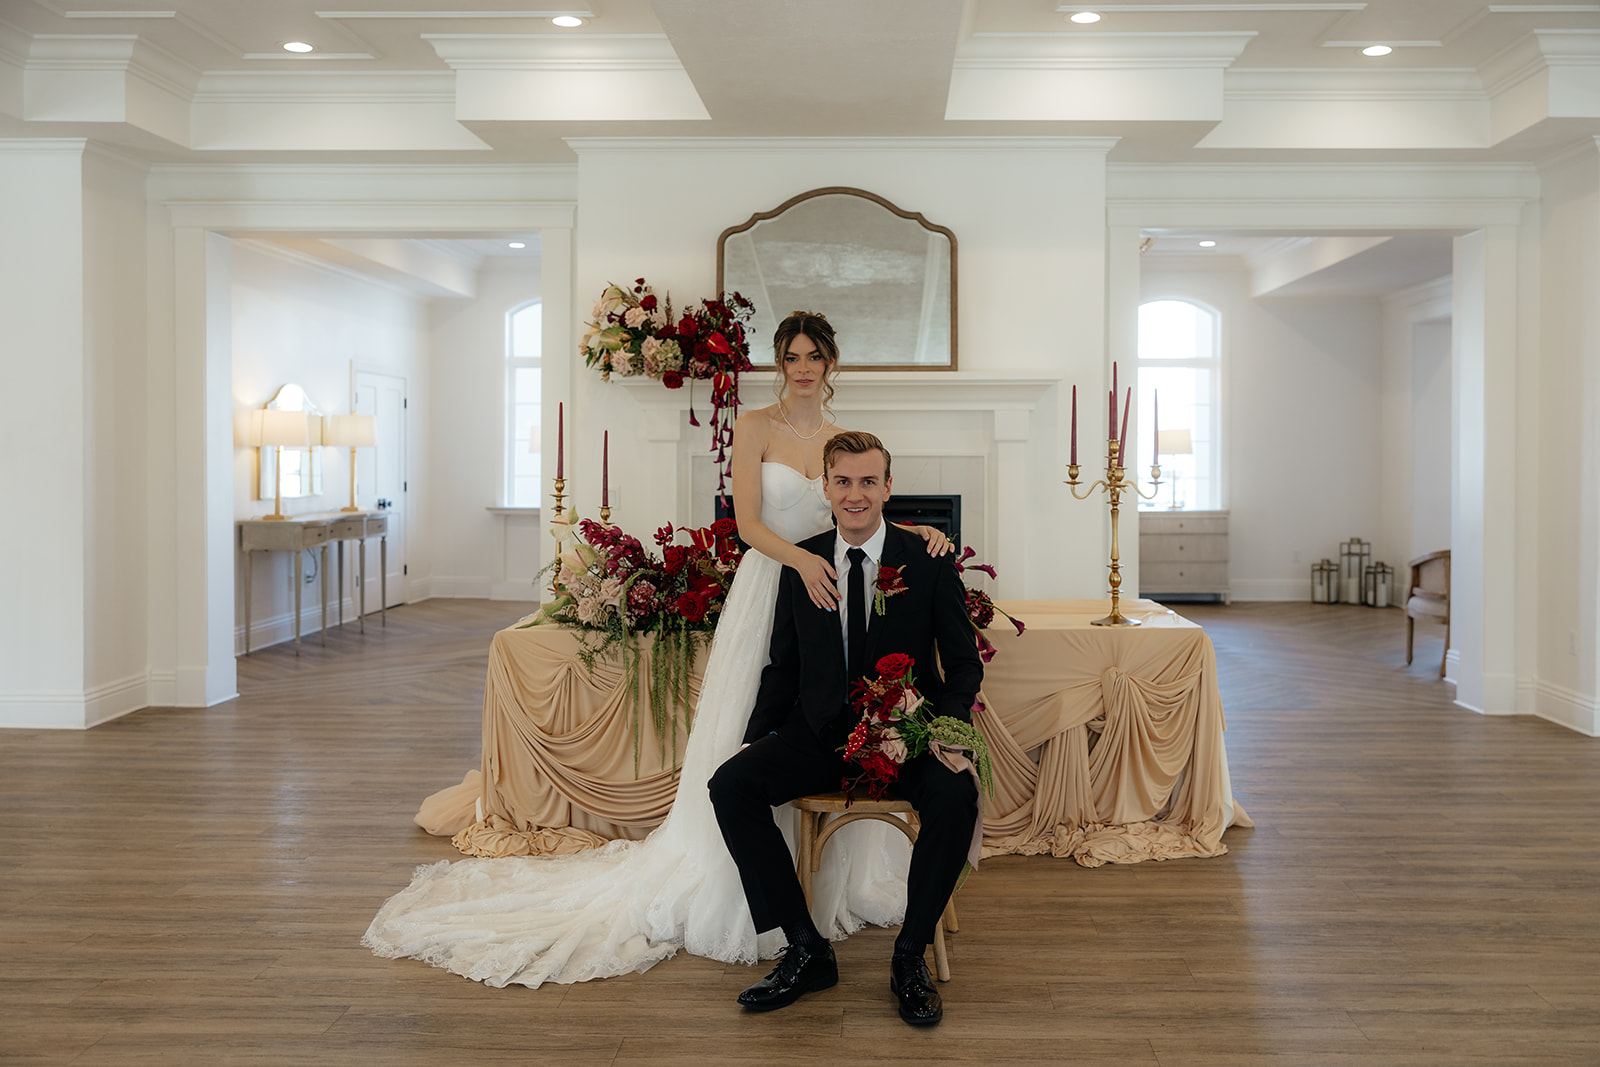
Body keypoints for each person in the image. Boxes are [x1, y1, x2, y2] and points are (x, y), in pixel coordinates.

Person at [363, 311, 952, 988]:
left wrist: (917, 533)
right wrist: (801, 562)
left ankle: (831, 883)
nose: (802, 366)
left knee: (837, 718)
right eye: (791, 355)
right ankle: (749, 894)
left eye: (814, 354)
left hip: (831, 590)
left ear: (830, 360)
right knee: (758, 728)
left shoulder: (838, 440)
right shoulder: (757, 426)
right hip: (778, 581)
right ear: (779, 363)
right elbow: (748, 522)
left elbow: (856, 507)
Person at [710, 430, 983, 1026]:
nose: (855, 494)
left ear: (888, 487)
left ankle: (908, 955)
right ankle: (807, 949)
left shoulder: (928, 562)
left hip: (908, 736)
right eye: (842, 482)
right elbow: (785, 662)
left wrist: (949, 729)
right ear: (827, 488)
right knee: (730, 785)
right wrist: (761, 739)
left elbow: (963, 662)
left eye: (868, 482)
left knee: (957, 794)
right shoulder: (801, 560)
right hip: (821, 735)